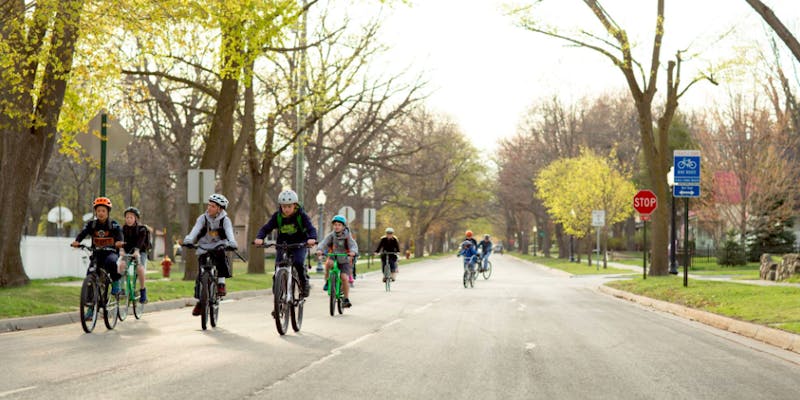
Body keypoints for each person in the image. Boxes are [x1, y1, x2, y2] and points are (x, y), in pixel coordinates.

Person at [253, 189, 317, 298]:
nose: (286, 209)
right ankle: (277, 286)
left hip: (299, 244)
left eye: (289, 206)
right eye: (283, 207)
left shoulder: (301, 215)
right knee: (278, 265)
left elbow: (311, 228)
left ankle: (304, 281)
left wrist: (312, 238)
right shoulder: (277, 216)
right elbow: (266, 228)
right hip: (283, 244)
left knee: (298, 262)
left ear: (295, 205)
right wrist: (260, 237)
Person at [183, 193, 238, 316]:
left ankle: (221, 284)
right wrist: (189, 240)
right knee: (200, 275)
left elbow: (229, 232)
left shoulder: (225, 220)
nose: (209, 208)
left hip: (219, 245)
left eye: (212, 206)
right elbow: (195, 230)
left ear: (220, 209)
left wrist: (232, 242)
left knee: (221, 259)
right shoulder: (203, 218)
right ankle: (200, 301)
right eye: (208, 205)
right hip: (203, 246)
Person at [71, 197, 124, 321]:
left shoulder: (113, 224)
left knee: (111, 262)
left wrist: (119, 242)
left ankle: (116, 284)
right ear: (96, 212)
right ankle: (90, 309)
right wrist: (77, 241)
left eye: (103, 211)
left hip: (110, 252)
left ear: (108, 212)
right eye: (98, 210)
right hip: (96, 254)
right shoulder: (92, 224)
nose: (100, 213)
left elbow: (120, 235)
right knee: (90, 277)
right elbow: (83, 233)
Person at [316, 215, 358, 308]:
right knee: (329, 263)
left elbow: (353, 245)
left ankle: (346, 299)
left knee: (344, 278)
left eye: (339, 225)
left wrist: (353, 252)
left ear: (343, 227)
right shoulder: (331, 235)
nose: (336, 226)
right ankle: (327, 281)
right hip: (333, 256)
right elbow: (324, 243)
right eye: (335, 225)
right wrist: (320, 250)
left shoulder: (348, 236)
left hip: (344, 259)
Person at [117, 207, 149, 303]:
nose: (129, 219)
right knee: (121, 265)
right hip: (127, 251)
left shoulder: (142, 229)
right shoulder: (123, 229)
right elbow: (120, 240)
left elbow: (140, 241)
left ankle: (143, 291)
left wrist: (137, 251)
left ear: (136, 219)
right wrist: (121, 250)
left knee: (140, 268)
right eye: (127, 217)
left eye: (131, 217)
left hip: (140, 251)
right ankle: (121, 289)